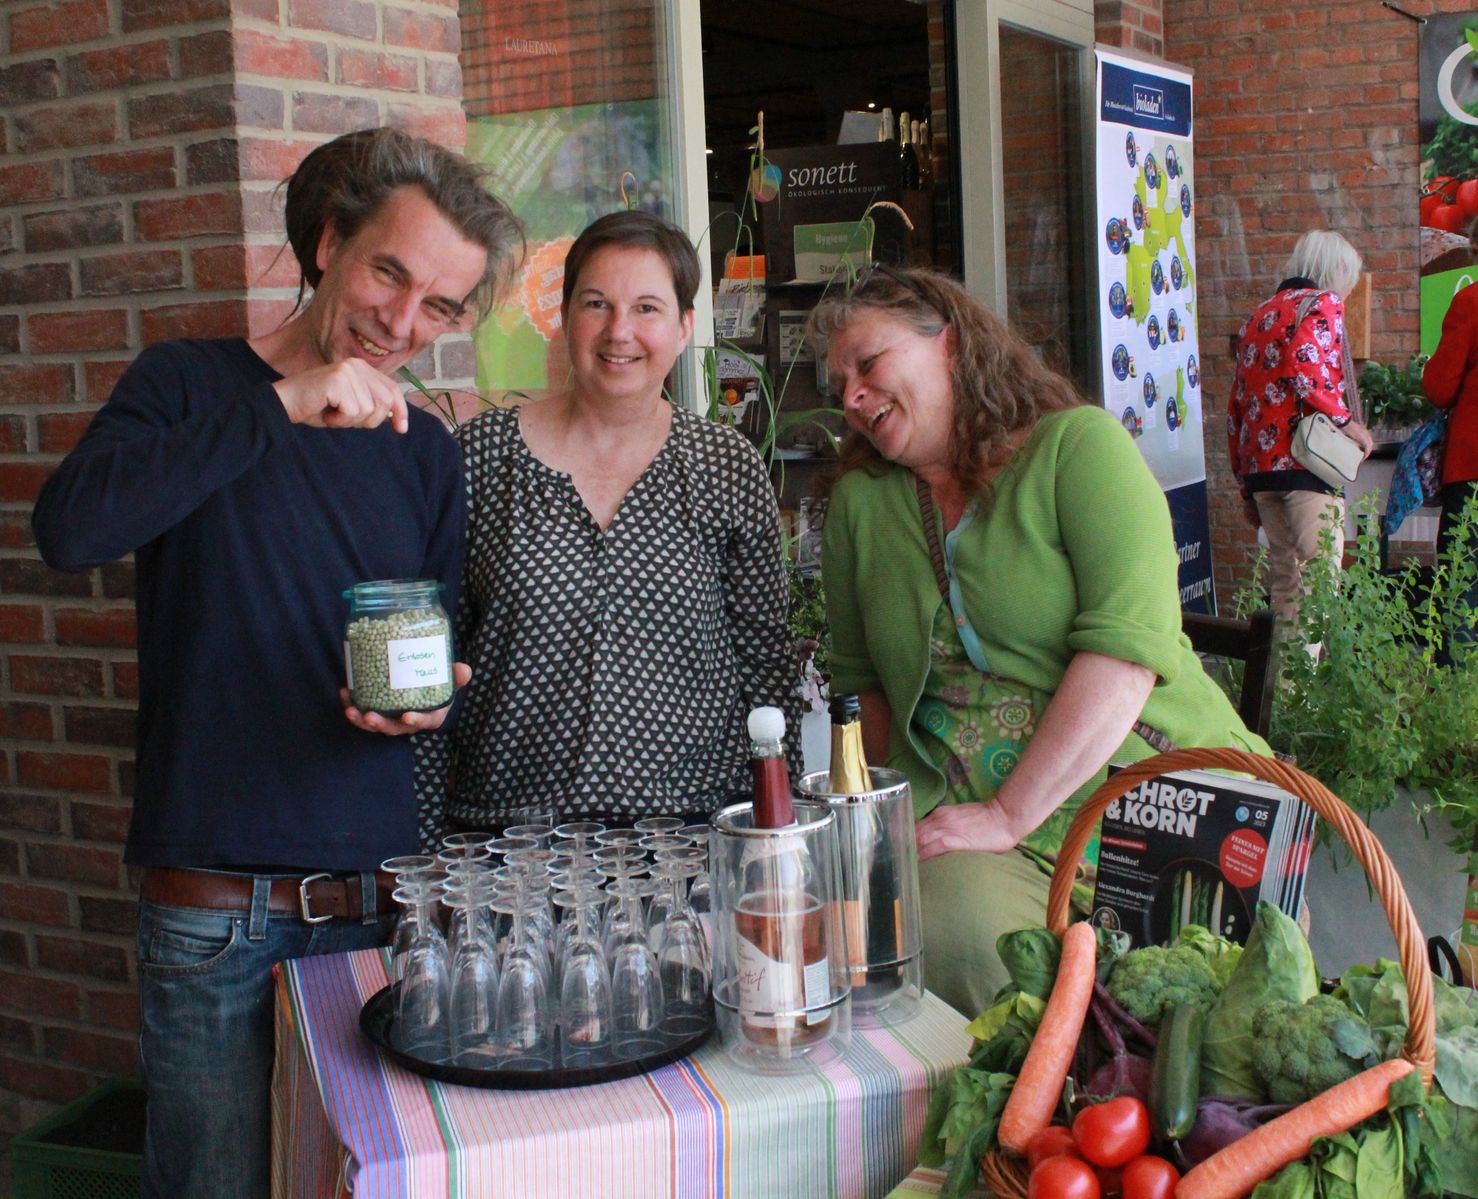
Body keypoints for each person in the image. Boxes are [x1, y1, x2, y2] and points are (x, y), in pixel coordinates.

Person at [30, 127, 523, 1198]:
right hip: (217, 915)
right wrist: (283, 404)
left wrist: (422, 702)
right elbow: (69, 531)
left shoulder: (425, 449)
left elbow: (423, 625)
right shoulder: (188, 385)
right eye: (388, 271)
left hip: (376, 904)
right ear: (331, 241)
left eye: (437, 306)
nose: (401, 323)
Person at [807, 265, 1268, 1018]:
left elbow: (1128, 654)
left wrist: (1007, 814)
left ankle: (1118, 1099)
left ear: (949, 344)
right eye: (839, 385)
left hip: (1151, 797)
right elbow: (865, 691)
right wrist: (870, 836)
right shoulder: (862, 506)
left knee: (1235, 974)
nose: (853, 397)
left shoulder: (1078, 449)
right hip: (969, 817)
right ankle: (1067, 1107)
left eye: (869, 363)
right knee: (937, 926)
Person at [415, 210, 796, 834]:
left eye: (647, 308)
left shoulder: (724, 464)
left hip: (693, 843)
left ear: (683, 328)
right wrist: (423, 849)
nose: (619, 331)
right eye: (597, 304)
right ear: (564, 318)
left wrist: (781, 843)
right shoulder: (480, 458)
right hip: (508, 846)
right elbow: (432, 661)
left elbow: (766, 666)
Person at [1226, 230, 1374, 633]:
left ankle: (1278, 691)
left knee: (1285, 586)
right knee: (1319, 586)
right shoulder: (1322, 304)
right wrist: (1347, 423)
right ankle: (1305, 695)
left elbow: (1237, 404)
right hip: (1307, 464)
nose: (1346, 292)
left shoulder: (1259, 316)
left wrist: (1244, 482)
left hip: (1262, 470)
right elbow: (1306, 369)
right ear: (1338, 271)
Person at [1421, 260, 1478, 664]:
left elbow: (1440, 387)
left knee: (1462, 583)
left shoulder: (1470, 301)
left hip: (1473, 467)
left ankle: (1456, 700)